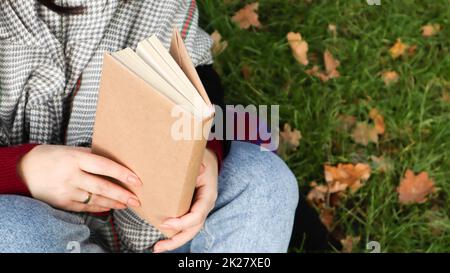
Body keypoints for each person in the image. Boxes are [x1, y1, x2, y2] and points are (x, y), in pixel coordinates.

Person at [0, 0, 299, 253]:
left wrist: (203, 153)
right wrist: (20, 170)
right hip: (35, 226)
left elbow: (197, 80)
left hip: (158, 228)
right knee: (13, 230)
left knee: (264, 182)